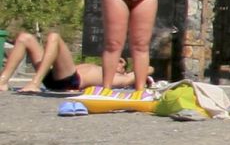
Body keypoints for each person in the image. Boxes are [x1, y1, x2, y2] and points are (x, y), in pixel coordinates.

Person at [2, 29, 143, 93]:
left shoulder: (119, 78)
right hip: (53, 74)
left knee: (55, 37)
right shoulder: (95, 66)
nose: (117, 62)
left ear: (124, 68)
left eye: (121, 62)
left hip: (70, 81)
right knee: (24, 37)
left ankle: (35, 83)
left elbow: (148, 69)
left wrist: (130, 72)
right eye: (116, 60)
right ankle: (2, 81)